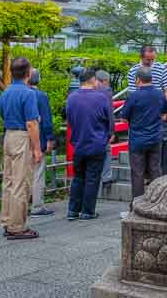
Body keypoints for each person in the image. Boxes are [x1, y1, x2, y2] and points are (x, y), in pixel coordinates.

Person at [0, 57, 42, 240]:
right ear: (28, 72)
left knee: (8, 181)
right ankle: (17, 226)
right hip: (22, 137)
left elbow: (2, 114)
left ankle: (8, 221)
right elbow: (31, 123)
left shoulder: (5, 93)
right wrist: (37, 148)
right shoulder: (28, 93)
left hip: (8, 135)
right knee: (21, 183)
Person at [66, 67, 114, 221]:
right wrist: (109, 135)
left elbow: (70, 120)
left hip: (78, 142)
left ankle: (73, 210)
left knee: (78, 177)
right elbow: (110, 122)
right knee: (92, 178)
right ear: (93, 80)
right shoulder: (101, 98)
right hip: (97, 142)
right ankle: (88, 210)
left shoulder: (71, 98)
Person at [119, 67, 167, 208]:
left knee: (138, 173)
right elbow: (164, 115)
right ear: (151, 79)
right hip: (155, 137)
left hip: (138, 139)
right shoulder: (160, 94)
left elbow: (123, 118)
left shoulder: (133, 96)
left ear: (138, 80)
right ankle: (157, 201)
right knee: (155, 169)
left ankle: (138, 204)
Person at [127, 45, 167, 176]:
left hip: (158, 111)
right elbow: (132, 94)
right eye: (148, 60)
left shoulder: (161, 68)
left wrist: (164, 108)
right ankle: (146, 174)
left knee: (161, 143)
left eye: (153, 59)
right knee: (142, 146)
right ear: (141, 57)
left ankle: (161, 174)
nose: (151, 62)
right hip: (141, 114)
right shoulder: (133, 71)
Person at [28, 68, 55, 217]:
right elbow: (46, 120)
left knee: (25, 173)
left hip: (22, 139)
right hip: (38, 138)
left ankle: (23, 203)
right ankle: (37, 205)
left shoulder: (20, 94)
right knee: (38, 173)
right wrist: (50, 138)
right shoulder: (40, 96)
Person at [96, 69, 118, 186]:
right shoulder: (106, 91)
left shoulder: (84, 89)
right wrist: (112, 131)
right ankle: (106, 177)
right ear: (104, 81)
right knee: (107, 151)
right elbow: (110, 113)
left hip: (88, 130)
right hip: (102, 129)